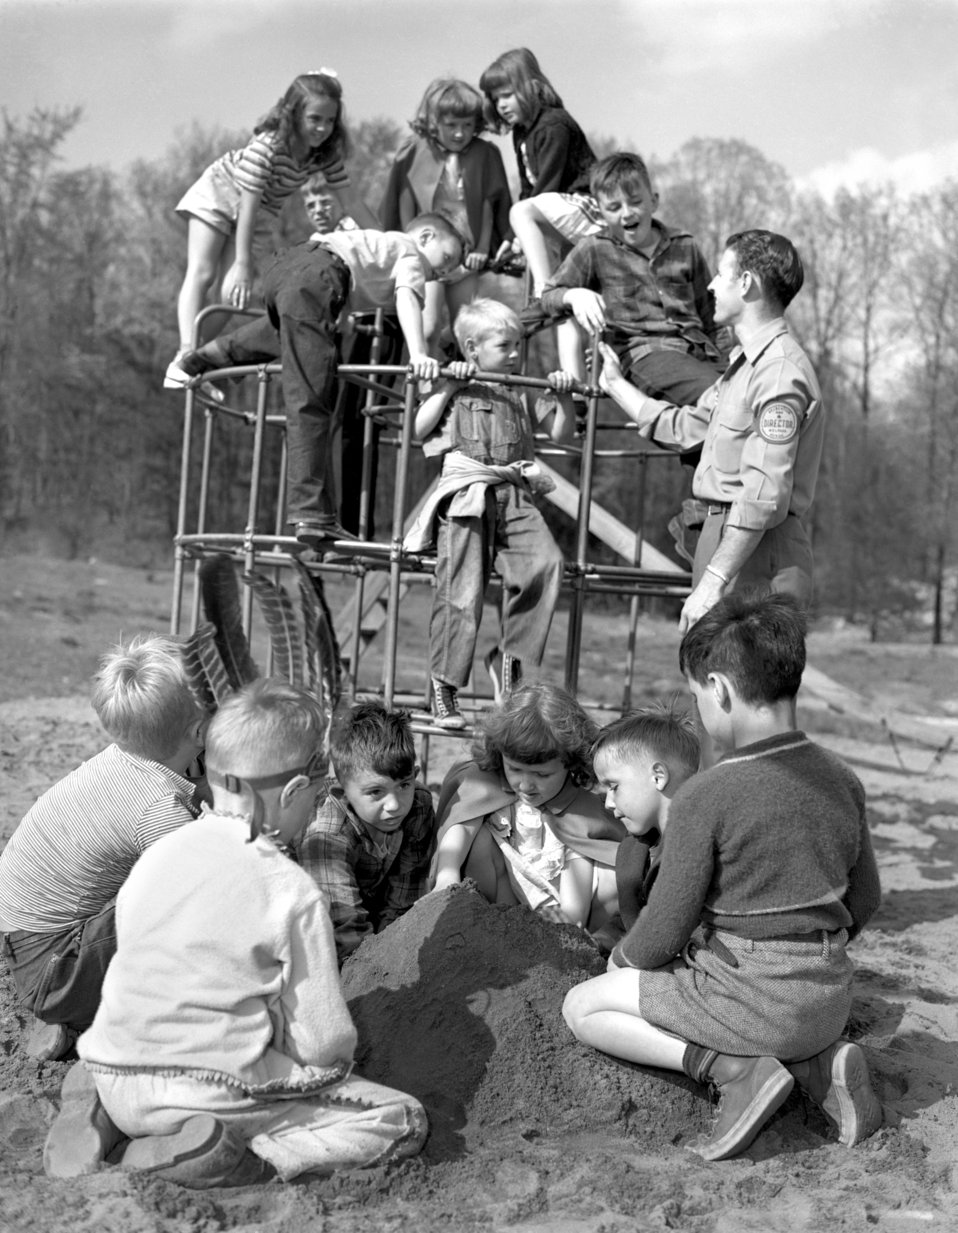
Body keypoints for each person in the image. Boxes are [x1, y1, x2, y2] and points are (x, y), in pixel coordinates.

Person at [44, 679, 428, 1186]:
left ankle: (99, 1107)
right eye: (315, 792)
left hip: (115, 1067)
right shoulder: (290, 889)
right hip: (208, 1090)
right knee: (400, 1120)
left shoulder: (159, 853)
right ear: (293, 792)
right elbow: (322, 1045)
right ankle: (232, 1155)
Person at [562, 593, 883, 1162]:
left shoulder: (706, 796)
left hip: (748, 1001)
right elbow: (867, 898)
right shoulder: (842, 779)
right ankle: (816, 1064)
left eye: (694, 694)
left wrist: (619, 963)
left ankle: (735, 1072)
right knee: (774, 1006)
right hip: (829, 997)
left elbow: (662, 932)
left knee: (582, 1007)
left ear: (721, 690)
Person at [179, 213, 465, 547]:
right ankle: (310, 513)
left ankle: (211, 354)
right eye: (446, 259)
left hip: (286, 266)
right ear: (426, 237)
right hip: (319, 276)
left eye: (449, 270)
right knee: (311, 397)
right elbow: (407, 298)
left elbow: (337, 276)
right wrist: (417, 354)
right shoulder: (411, 253)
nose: (442, 272)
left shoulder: (379, 247)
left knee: (290, 330)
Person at [598, 229, 824, 634]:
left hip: (755, 553)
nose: (710, 285)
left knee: (746, 691)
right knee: (712, 686)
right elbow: (686, 428)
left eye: (721, 274)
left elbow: (762, 497)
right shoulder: (743, 368)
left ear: (747, 282)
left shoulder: (778, 373)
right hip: (725, 543)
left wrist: (713, 582)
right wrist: (614, 383)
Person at [0, 635, 206, 1063]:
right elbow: (204, 884)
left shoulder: (125, 758)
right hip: (56, 971)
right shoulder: (156, 807)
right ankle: (95, 1018)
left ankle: (74, 1008)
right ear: (201, 731)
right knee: (185, 907)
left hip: (28, 939)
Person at [403, 297, 575, 727]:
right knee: (461, 592)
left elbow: (563, 431)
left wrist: (563, 395)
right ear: (471, 348)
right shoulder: (454, 384)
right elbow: (418, 429)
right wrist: (448, 386)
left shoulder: (521, 386)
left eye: (519, 344)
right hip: (468, 497)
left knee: (546, 563)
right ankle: (445, 688)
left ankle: (508, 659)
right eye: (505, 345)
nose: (516, 354)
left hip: (513, 495)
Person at [165, 70, 376, 389]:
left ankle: (189, 362)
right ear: (293, 114)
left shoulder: (324, 154)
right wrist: (242, 263)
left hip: (261, 212)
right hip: (222, 192)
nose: (322, 128)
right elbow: (245, 205)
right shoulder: (268, 145)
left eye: (330, 121)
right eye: (314, 118)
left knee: (234, 295)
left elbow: (352, 202)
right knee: (204, 272)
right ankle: (183, 350)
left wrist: (389, 239)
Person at [432, 683, 626, 940]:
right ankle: (489, 929)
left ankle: (593, 944)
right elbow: (461, 829)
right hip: (501, 898)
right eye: (514, 769)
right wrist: (447, 874)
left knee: (613, 873)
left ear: (570, 763)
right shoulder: (486, 784)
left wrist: (568, 926)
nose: (525, 785)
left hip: (553, 910)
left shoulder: (578, 806)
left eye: (541, 774)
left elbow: (577, 886)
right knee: (478, 839)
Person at [540, 153, 727, 400]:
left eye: (635, 202)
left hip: (700, 353)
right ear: (600, 212)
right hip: (642, 353)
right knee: (716, 397)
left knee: (747, 395)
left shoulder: (685, 245)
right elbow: (547, 297)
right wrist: (573, 295)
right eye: (614, 207)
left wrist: (732, 361)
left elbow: (712, 316)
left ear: (654, 201)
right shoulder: (595, 248)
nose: (627, 213)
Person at [478, 48, 601, 375]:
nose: (501, 105)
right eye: (495, 98)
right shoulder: (521, 133)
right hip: (557, 217)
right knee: (565, 309)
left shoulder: (554, 124)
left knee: (522, 214)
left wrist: (519, 232)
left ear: (531, 86)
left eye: (507, 95)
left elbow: (548, 184)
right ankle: (573, 389)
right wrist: (509, 238)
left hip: (586, 209)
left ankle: (543, 290)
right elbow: (528, 192)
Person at [296, 699, 436, 964]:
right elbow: (345, 932)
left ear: (415, 774)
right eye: (375, 792)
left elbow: (403, 901)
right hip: (319, 929)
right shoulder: (327, 834)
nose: (394, 805)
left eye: (404, 785)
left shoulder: (418, 806)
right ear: (342, 790)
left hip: (368, 915)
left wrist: (395, 952)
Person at [381, 77, 512, 339]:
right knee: (426, 329)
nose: (459, 133)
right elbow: (404, 198)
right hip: (427, 255)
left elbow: (490, 202)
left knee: (465, 330)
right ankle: (425, 378)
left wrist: (483, 248)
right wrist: (409, 245)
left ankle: (461, 379)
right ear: (433, 122)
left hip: (465, 256)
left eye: (467, 125)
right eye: (451, 125)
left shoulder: (484, 153)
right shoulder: (416, 151)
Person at [591, 702, 699, 931]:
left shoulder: (695, 849)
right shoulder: (638, 850)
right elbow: (632, 921)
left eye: (614, 786)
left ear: (658, 776)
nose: (609, 803)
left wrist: (624, 961)